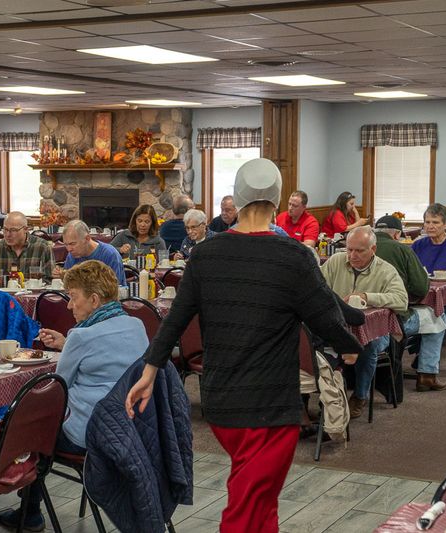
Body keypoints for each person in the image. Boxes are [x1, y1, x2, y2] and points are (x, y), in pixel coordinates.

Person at [124, 158, 362, 533]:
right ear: (278, 199)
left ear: (237, 198)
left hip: (221, 402)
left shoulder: (205, 254)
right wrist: (349, 347)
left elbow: (176, 319)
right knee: (247, 505)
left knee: (261, 502)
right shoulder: (294, 256)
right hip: (271, 405)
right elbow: (325, 316)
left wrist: (149, 370)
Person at [0, 259, 150, 532]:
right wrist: (67, 344)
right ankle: (29, 503)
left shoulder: (81, 336)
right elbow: (106, 351)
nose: (69, 305)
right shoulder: (136, 325)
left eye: (73, 297)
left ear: (94, 299)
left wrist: (71, 345)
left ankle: (29, 510)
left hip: (90, 435)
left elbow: (58, 391)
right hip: (134, 429)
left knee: (33, 429)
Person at [321, 226, 408, 418]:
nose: (352, 255)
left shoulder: (385, 270)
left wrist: (367, 297)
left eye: (359, 251)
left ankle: (360, 396)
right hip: (339, 327)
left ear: (373, 249)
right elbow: (318, 287)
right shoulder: (335, 261)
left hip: (376, 331)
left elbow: (402, 300)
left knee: (368, 345)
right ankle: (327, 396)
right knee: (312, 341)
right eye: (349, 249)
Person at [374, 215, 446, 391]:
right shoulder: (402, 250)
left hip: (362, 319)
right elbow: (420, 288)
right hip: (393, 320)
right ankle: (427, 375)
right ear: (397, 234)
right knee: (437, 316)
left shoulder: (356, 248)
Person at [0, 211, 54, 282]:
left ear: (25, 229)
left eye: (13, 230)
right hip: (3, 289)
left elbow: (50, 279)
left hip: (34, 289)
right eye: (5, 229)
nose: (8, 234)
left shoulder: (42, 247)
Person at [58, 219, 126, 285]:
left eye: (72, 244)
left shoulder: (110, 254)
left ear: (87, 238)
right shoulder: (72, 255)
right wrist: (62, 276)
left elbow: (115, 288)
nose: (69, 249)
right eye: (66, 244)